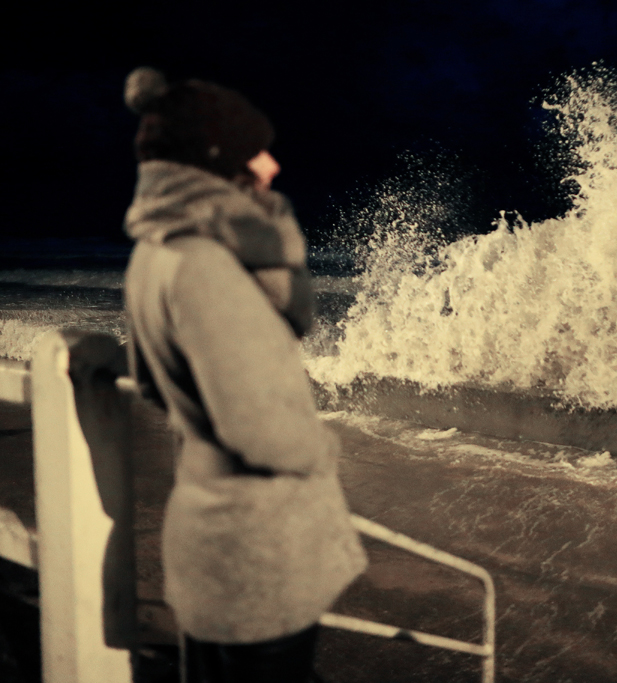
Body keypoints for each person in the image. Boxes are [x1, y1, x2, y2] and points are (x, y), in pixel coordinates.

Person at [121, 67, 367, 683]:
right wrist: (321, 450)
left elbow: (151, 384)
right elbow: (264, 433)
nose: (272, 166)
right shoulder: (205, 267)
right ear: (215, 159)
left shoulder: (155, 253)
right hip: (256, 553)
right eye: (255, 151)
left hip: (208, 540)